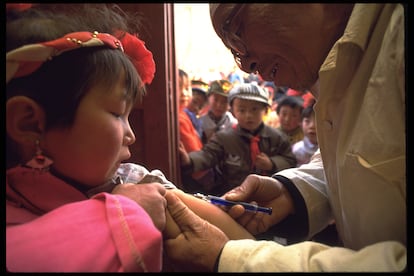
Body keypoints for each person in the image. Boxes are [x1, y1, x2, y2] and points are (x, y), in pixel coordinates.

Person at [6, 4, 253, 272]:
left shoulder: (133, 182)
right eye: (116, 113)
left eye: (128, 115)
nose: (131, 136)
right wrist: (122, 213)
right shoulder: (129, 201)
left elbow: (242, 245)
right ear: (29, 122)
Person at [164, 3, 406, 272]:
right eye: (233, 50)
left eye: (235, 31)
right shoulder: (331, 76)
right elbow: (353, 162)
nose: (245, 65)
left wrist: (233, 259)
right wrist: (291, 192)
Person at [180, 83, 296, 196]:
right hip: (232, 195)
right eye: (241, 110)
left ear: (265, 110)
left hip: (269, 195)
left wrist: (272, 164)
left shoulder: (277, 137)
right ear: (233, 112)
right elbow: (207, 155)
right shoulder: (224, 139)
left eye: (254, 109)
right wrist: (189, 160)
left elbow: (290, 161)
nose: (248, 115)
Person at [199, 79, 238, 144]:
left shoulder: (233, 124)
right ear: (208, 98)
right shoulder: (200, 122)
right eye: (215, 99)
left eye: (224, 101)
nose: (219, 105)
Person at [291, 100, 318, 166]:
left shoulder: (331, 150)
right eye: (307, 121)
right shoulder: (296, 149)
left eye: (317, 122)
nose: (312, 126)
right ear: (300, 123)